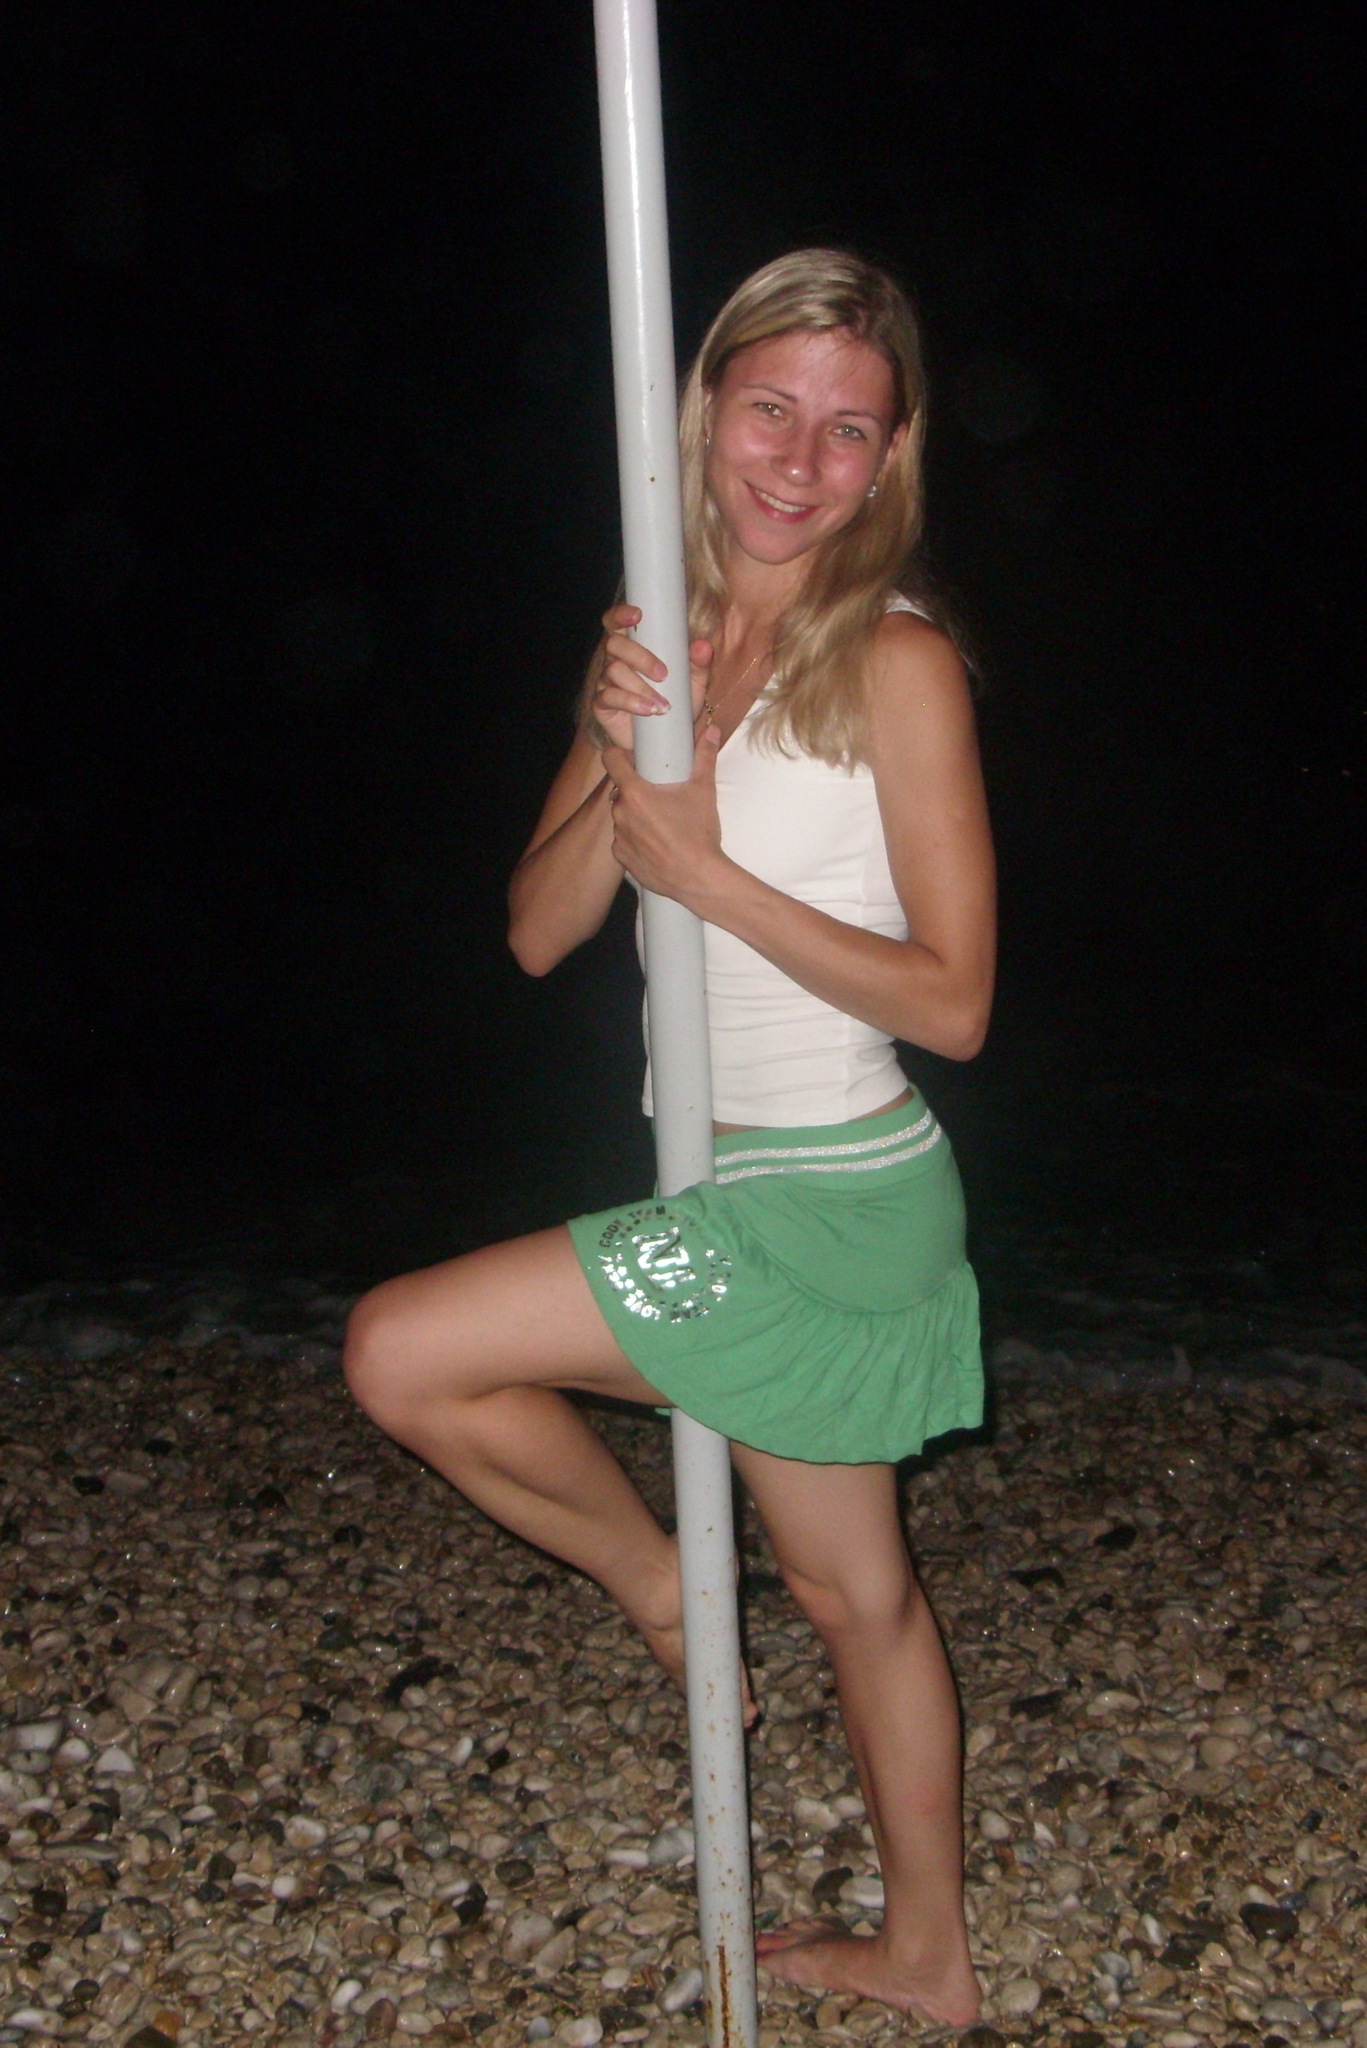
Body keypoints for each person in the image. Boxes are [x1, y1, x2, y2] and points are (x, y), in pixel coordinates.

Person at [344, 249, 995, 2026]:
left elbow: (955, 1003)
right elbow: (538, 928)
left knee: (403, 1349)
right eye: (771, 407)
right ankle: (930, 1959)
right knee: (855, 1596)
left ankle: (658, 1592)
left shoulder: (901, 665)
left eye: (847, 429)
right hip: (734, 1181)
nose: (799, 459)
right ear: (703, 408)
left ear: (893, 455)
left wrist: (710, 873)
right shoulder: (655, 640)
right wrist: (625, 739)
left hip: (835, 1192)